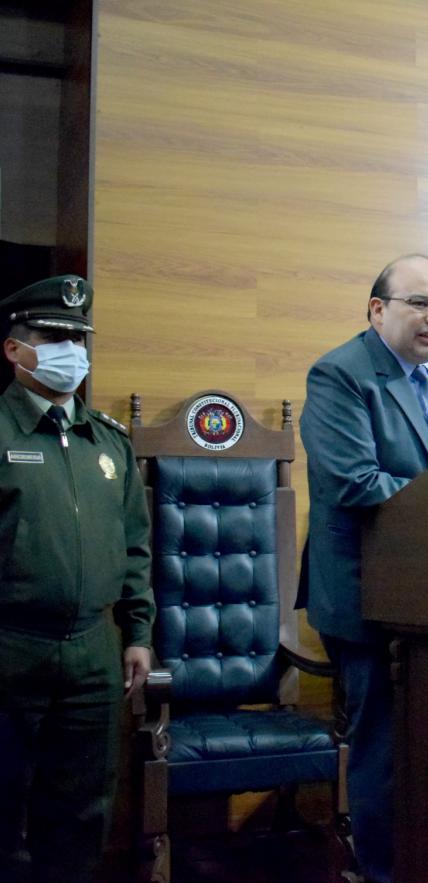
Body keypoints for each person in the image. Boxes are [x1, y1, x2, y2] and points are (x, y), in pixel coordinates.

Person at [299, 254, 428, 883]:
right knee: (383, 747)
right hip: (369, 592)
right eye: (419, 303)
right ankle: (381, 872)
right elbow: (353, 482)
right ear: (378, 309)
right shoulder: (340, 374)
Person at [0, 275, 154, 883]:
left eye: (78, 337)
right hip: (12, 648)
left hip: (94, 651)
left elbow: (136, 547)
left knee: (83, 811)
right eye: (53, 336)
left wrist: (138, 632)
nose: (71, 350)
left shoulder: (110, 443)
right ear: (15, 348)